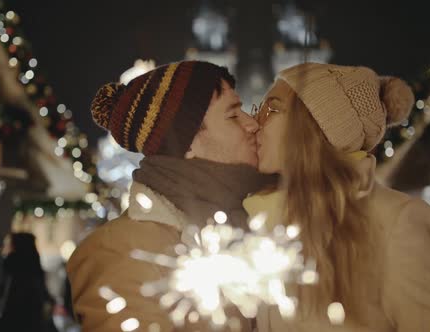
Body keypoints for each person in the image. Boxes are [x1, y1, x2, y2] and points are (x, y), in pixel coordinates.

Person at [245, 63, 430, 332]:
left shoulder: (393, 220)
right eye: (259, 109)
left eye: (271, 109)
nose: (255, 123)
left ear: (314, 125)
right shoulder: (260, 222)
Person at [67, 60, 276, 331]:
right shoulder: (118, 251)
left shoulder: (253, 227)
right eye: (233, 115)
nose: (253, 125)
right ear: (186, 142)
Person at [0, 233, 56, 332]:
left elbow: (5, 300)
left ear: (15, 247)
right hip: (34, 324)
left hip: (13, 323)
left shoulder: (11, 267)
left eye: (7, 245)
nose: (3, 249)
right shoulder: (34, 267)